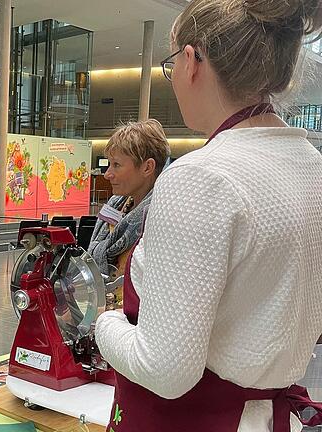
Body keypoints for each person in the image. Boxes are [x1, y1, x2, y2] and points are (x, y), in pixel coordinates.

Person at [95, 0, 322, 430]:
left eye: (171, 66)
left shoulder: (201, 178)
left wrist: (105, 324)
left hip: (196, 419)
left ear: (191, 60)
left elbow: (165, 368)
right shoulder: (312, 166)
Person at [87, 119, 170, 281]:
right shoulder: (117, 204)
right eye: (109, 164)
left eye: (116, 165)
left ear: (147, 167)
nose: (107, 174)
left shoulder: (162, 221)